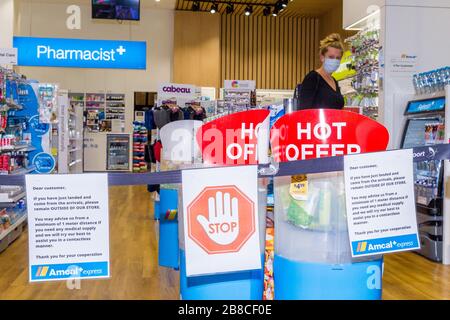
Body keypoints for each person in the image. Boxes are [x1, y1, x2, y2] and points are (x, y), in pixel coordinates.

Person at [297, 33, 345, 110]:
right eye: (331, 57)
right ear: (322, 57)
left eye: (338, 58)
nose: (334, 60)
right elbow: (304, 110)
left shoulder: (334, 81)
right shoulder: (313, 78)